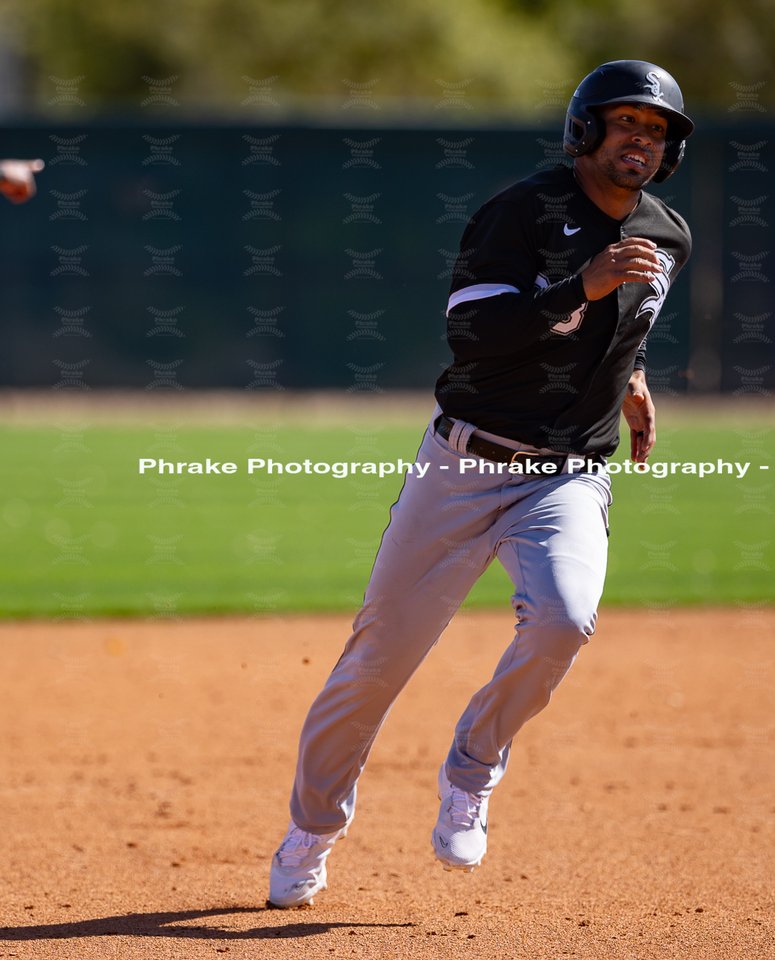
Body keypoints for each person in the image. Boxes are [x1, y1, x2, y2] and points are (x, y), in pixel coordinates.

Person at [268, 59, 694, 908]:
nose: (639, 141)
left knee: (565, 623)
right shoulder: (522, 213)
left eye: (655, 131)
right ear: (586, 131)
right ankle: (311, 833)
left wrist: (635, 377)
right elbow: (474, 334)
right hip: (464, 466)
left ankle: (473, 767)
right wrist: (582, 285)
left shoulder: (669, 234)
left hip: (567, 475)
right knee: (375, 667)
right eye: (625, 124)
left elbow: (628, 325)